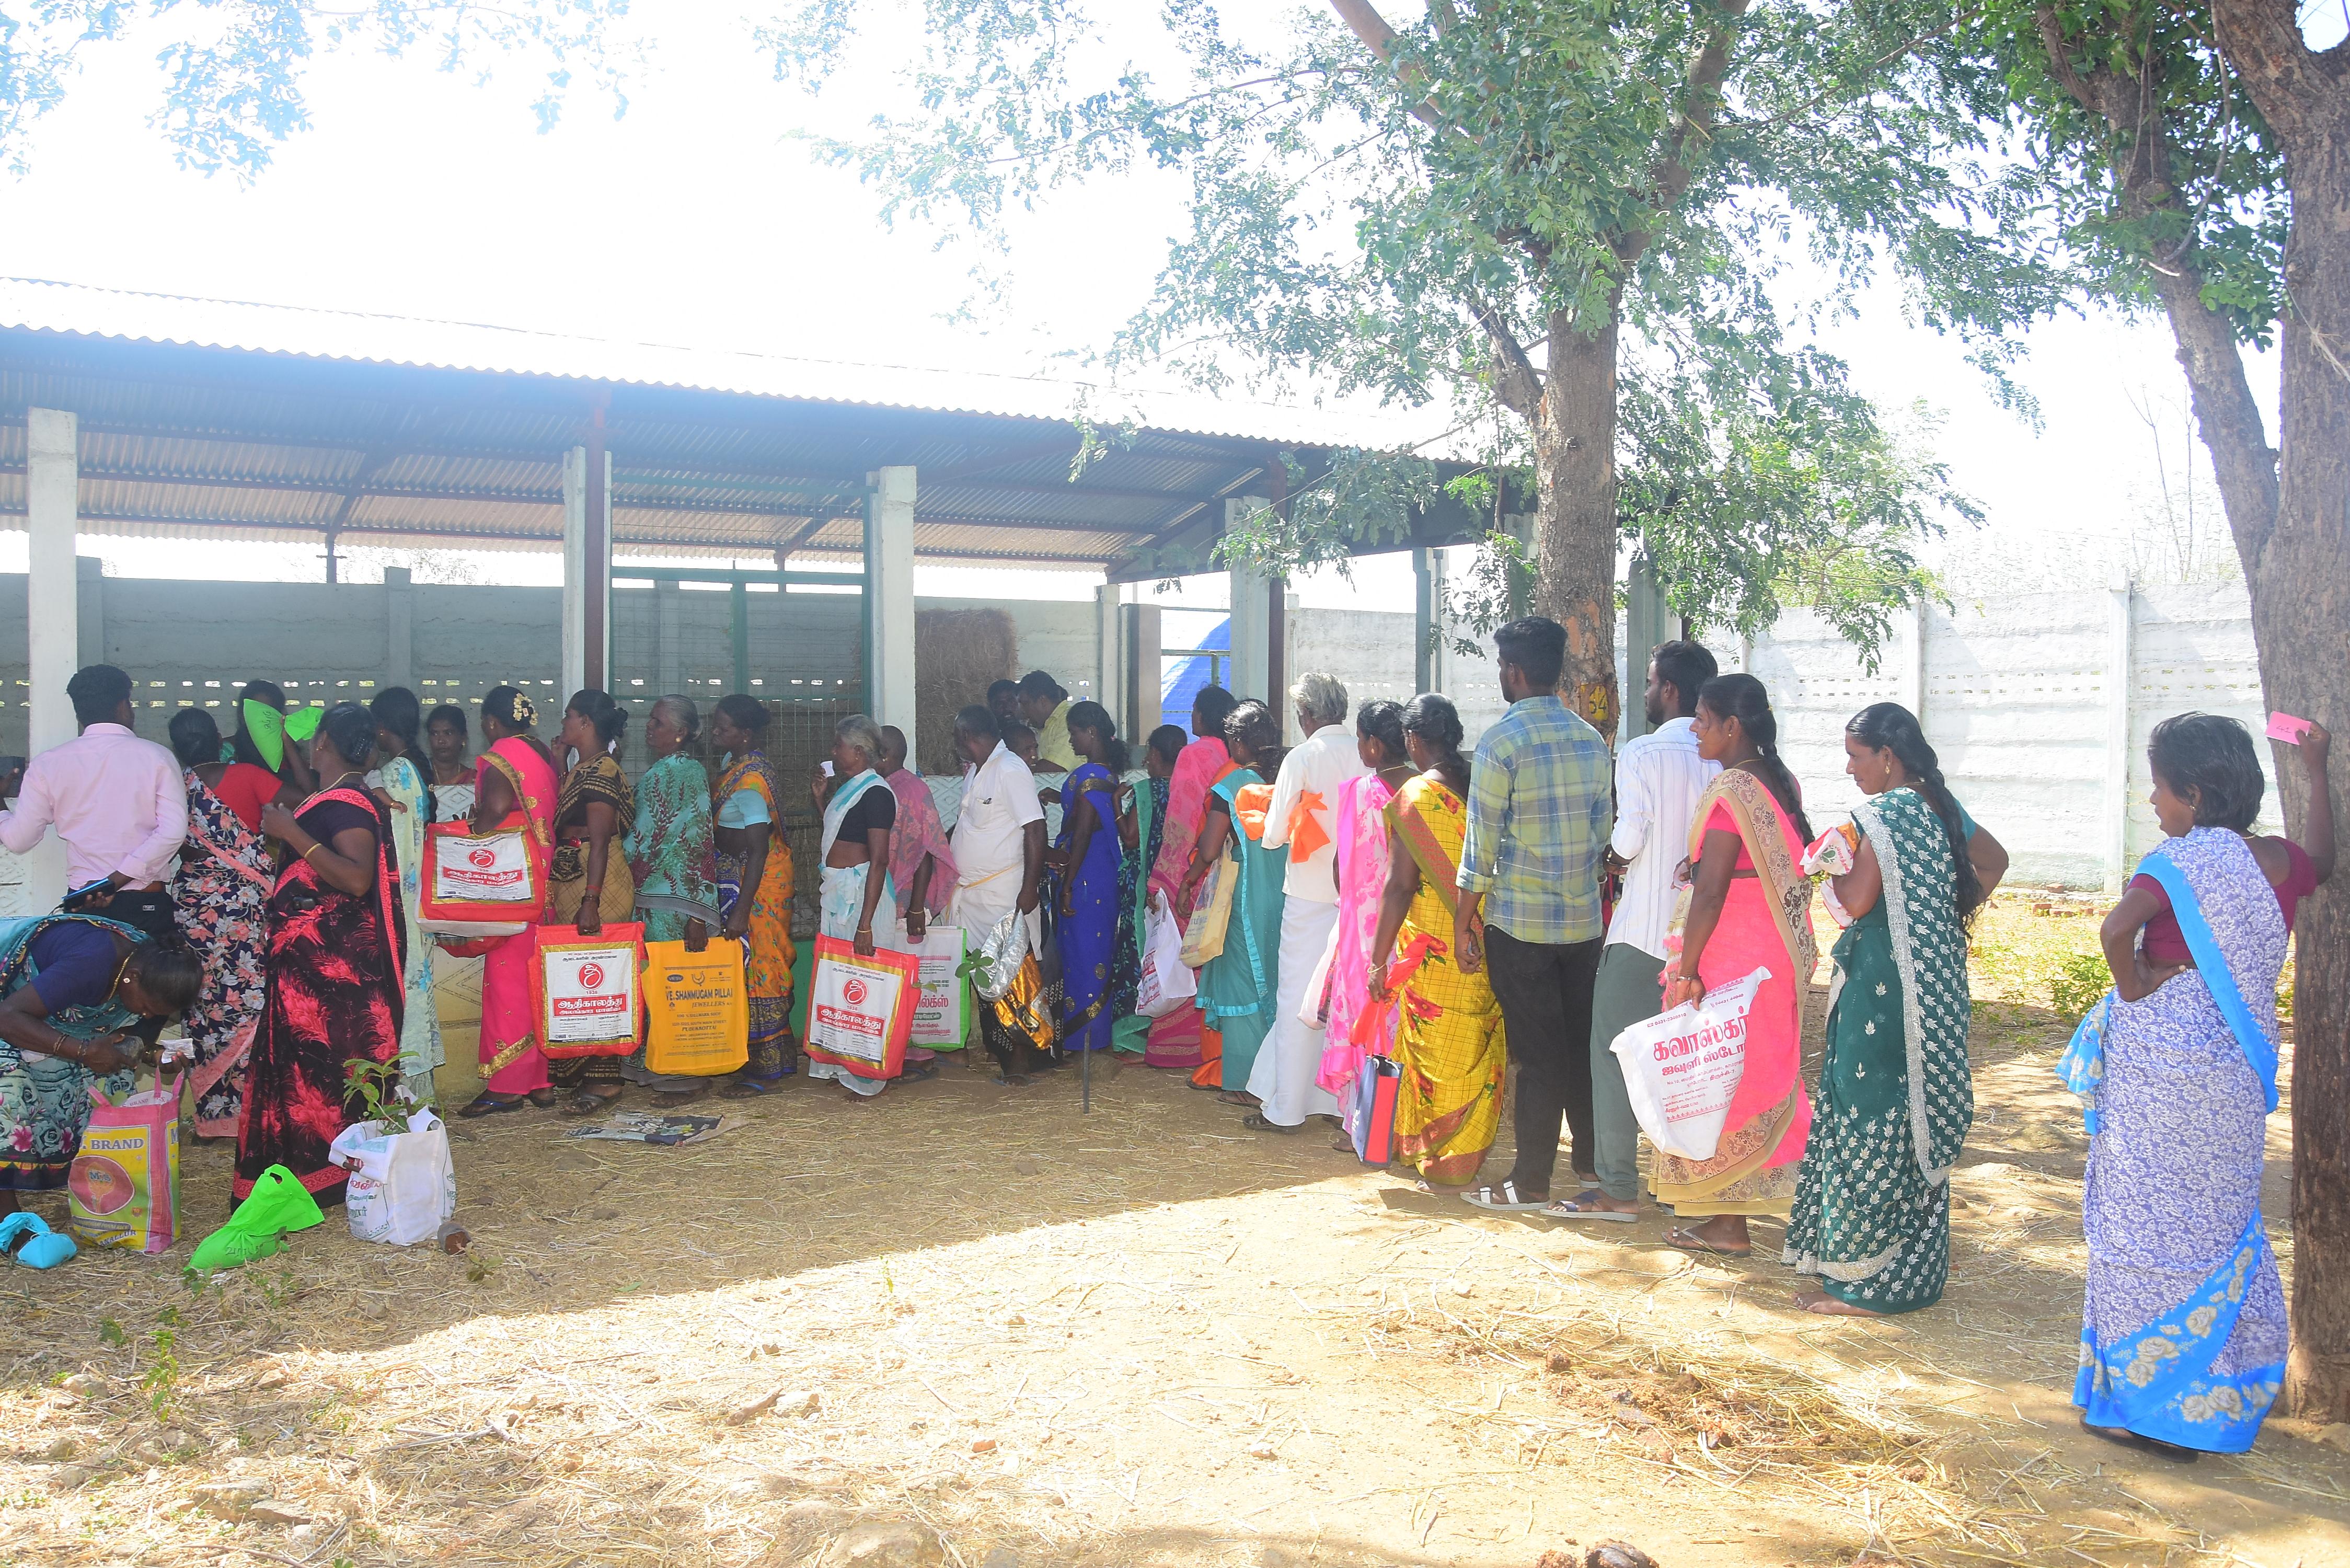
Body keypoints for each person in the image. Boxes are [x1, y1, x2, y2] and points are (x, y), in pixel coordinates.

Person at [2071, 713, 2329, 1459]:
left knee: (2137, 1226)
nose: (2153, 802)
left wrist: (2134, 985)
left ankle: (2142, 1406)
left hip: (2160, 1070)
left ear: (2192, 794)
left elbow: (2114, 930)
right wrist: (2315, 769)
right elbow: (2322, 859)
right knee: (2215, 1225)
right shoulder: (2275, 862)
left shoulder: (2176, 864)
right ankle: (2204, 1404)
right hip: (2234, 1073)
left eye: (2159, 788)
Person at [1785, 701, 2002, 1313]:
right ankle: (1910, 1277)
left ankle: (1864, 1284)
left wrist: (1825, 866)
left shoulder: (1881, 814)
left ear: (1887, 756)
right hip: (1934, 986)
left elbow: (1856, 902)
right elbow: (1994, 862)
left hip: (1881, 988)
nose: (1849, 768)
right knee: (1915, 1119)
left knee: (1868, 1115)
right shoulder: (1939, 804)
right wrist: (1935, 916)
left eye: (1856, 756)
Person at [1551, 640, 1719, 1221]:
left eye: (1649, 682)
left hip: (1644, 931)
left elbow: (1631, 835)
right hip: (1705, 937)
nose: (1645, 693)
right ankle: (1686, 1187)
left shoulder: (1644, 752)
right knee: (1689, 1061)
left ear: (1668, 689)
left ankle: (1618, 1185)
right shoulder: (1726, 756)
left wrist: (1611, 860)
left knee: (1613, 1052)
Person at [1652, 674, 1815, 1256]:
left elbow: (1712, 892)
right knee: (1761, 1074)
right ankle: (1736, 1215)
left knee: (1723, 1079)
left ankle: (1728, 1225)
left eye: (1702, 719)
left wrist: (1686, 968)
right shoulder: (1778, 780)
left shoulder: (1732, 792)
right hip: (1772, 952)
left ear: (1732, 726)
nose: (1694, 729)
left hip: (1735, 954)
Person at [1454, 618, 1612, 1212]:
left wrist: (1463, 923)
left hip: (1520, 927)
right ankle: (1595, 1167)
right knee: (1580, 1050)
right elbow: (1603, 835)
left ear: (1514, 671)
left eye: (1501, 666)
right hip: (1582, 926)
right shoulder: (1591, 741)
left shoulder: (1500, 743)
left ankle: (1531, 1183)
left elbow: (1480, 848)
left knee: (1539, 1058)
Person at [236, 702, 407, 1209]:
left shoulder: (348, 804)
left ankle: (331, 1177)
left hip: (334, 975)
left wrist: (291, 833)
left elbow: (355, 878)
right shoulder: (332, 799)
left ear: (324, 742)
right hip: (314, 971)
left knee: (325, 1074)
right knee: (309, 1075)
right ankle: (312, 1179)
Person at [1368, 694, 1508, 1184]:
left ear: (1411, 739)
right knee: (1476, 1044)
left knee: (1438, 1050)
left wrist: (1378, 960)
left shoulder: (1417, 797)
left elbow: (1400, 886)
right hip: (1490, 940)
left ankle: (1443, 1159)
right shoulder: (1481, 785)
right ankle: (1464, 1153)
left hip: (1437, 948)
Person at [0, 916, 200, 1213]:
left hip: (23, 1015)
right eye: (146, 1008)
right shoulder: (91, 963)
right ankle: (8, 1221)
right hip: (9, 1012)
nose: (146, 1016)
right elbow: (8, 1017)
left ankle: (99, 1193)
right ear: (132, 977)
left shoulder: (146, 966)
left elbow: (110, 1036)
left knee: (112, 1085)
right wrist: (83, 1051)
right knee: (9, 1093)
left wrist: (151, 1054)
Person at [1249, 672, 1366, 1132]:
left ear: (1307, 715)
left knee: (1298, 1000)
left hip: (1307, 893)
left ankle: (1287, 1108)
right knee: (1345, 1000)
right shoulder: (1366, 752)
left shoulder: (1302, 757)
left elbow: (1274, 834)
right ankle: (1341, 1105)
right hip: (1357, 894)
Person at [0, 664, 189, 942]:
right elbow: (172, 833)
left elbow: (19, 841)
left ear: (79, 713)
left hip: (83, 902)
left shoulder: (48, 764)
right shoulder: (157, 757)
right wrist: (113, 882)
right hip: (143, 901)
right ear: (124, 706)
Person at [166, 709, 276, 1139]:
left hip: (194, 911)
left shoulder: (171, 786)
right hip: (244, 911)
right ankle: (255, 1113)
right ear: (219, 738)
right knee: (251, 1003)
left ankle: (213, 1119)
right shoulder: (248, 775)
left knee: (203, 1008)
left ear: (176, 746)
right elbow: (306, 802)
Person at [452, 686, 560, 1117]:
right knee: (536, 978)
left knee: (508, 981)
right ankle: (540, 1082)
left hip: (512, 882)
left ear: (491, 723)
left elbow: (496, 808)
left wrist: (472, 832)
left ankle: (507, 1086)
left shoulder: (502, 754)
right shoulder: (540, 752)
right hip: (541, 877)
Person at [1179, 699, 1286, 1109]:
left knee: (1242, 981)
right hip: (1285, 891)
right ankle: (1279, 1076)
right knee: (1275, 979)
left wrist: (1189, 880)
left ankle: (1246, 1081)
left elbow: (1209, 849)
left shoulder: (1235, 784)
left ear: (1239, 743)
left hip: (1245, 893)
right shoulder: (1286, 777)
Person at [810, 714, 920, 1098]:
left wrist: (865, 923)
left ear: (858, 752)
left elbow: (879, 860)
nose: (833, 751)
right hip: (842, 894)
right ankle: (843, 1063)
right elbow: (839, 837)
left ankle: (868, 1075)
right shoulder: (851, 790)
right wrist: (821, 799)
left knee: (866, 987)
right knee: (841, 983)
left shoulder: (876, 794)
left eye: (838, 746)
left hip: (862, 900)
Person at [1315, 699, 1412, 1113]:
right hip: (1416, 928)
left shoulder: (1361, 793)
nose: (1358, 749)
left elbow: (1342, 870)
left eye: (1359, 740)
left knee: (1367, 1015)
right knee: (1405, 1019)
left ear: (1374, 744)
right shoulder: (1425, 788)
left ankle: (1366, 1121)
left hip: (1368, 932)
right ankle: (1401, 1116)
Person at [945, 705, 1050, 1083]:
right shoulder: (976, 771)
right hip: (972, 896)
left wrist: (1029, 888)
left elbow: (1036, 829)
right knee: (984, 974)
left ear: (966, 736)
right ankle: (1000, 1050)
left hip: (1003, 893)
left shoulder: (1009, 769)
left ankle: (1021, 1061)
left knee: (1012, 975)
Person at [546, 690, 637, 1115]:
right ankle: (587, 1074)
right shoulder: (584, 768)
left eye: (569, 716)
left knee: (598, 978)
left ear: (585, 723)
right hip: (576, 876)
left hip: (597, 882)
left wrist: (591, 901)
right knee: (582, 977)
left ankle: (605, 1081)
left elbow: (599, 841)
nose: (563, 722)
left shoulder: (603, 770)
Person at [1147, 685, 1240, 1076]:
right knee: (1215, 956)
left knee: (1181, 957)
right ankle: (1215, 1047)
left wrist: (1164, 879)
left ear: (1202, 716)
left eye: (1195, 710)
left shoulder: (1194, 753)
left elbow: (1181, 822)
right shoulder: (1233, 755)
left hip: (1192, 870)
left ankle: (1178, 1048)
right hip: (1226, 870)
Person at [711, 694, 799, 1094]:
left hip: (760, 883)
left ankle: (767, 1068)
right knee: (750, 968)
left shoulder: (751, 780)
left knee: (764, 965)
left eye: (724, 727)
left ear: (745, 734)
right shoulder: (735, 766)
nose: (716, 732)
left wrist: (741, 911)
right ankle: (762, 1059)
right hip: (745, 877)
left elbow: (760, 848)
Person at [369, 688, 445, 1104]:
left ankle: (411, 1096)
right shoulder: (418, 762)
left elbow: (397, 839)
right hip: (419, 894)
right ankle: (419, 1094)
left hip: (402, 894)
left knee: (406, 991)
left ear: (382, 728)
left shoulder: (396, 771)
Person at [1053, 701, 1126, 1056]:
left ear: (1092, 732)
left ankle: (1085, 1041)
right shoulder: (1105, 774)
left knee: (1083, 953)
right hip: (1100, 871)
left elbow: (1082, 831)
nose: (1071, 741)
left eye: (1074, 733)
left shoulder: (1090, 775)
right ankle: (1091, 1037)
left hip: (1084, 875)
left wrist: (1067, 883)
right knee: (1093, 951)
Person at [1111, 724, 1188, 1058]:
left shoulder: (1146, 790)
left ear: (1155, 755)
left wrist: (1116, 803)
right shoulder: (1188, 789)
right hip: (1175, 883)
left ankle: (1133, 1032)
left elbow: (1130, 838)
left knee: (1136, 950)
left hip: (1143, 884)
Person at [628, 696, 720, 947]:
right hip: (668, 898)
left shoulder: (675, 772)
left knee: (662, 969)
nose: (649, 725)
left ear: (681, 732)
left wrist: (609, 852)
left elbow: (698, 840)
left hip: (667, 902)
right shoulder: (681, 769)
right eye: (651, 719)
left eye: (658, 722)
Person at [878, 724, 956, 946]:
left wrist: (916, 908)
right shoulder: (882, 786)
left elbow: (925, 851)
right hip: (884, 888)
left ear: (884, 754)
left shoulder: (912, 790)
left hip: (907, 894)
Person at [227, 679, 318, 797]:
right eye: (255, 713)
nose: (261, 720)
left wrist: (287, 742)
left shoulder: (289, 752)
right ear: (242, 715)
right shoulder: (226, 750)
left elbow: (310, 793)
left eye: (268, 714)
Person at [1018, 671, 1077, 773]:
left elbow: (1054, 768)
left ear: (1043, 701)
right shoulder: (1043, 724)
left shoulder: (1069, 720)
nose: (1023, 711)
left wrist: (1014, 772)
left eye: (1026, 704)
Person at [427, 702, 477, 819]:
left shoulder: (474, 779)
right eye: (435, 734)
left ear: (463, 737)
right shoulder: (420, 775)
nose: (441, 741)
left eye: (448, 733)